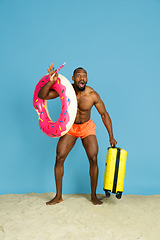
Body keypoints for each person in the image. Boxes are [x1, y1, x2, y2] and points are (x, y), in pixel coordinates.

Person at [38, 63, 117, 205]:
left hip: (86, 127)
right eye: (79, 75)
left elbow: (104, 114)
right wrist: (50, 82)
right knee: (59, 157)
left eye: (84, 75)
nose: (82, 77)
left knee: (93, 159)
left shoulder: (92, 95)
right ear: (73, 78)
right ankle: (58, 196)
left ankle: (93, 196)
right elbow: (42, 95)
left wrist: (111, 135)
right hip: (70, 127)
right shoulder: (66, 91)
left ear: (86, 79)